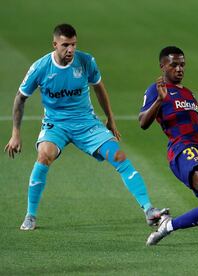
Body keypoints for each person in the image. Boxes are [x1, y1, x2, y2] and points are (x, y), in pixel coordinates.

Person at [4, 23, 168, 231]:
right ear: (55, 44)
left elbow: (99, 88)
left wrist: (110, 119)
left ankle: (148, 209)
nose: (70, 49)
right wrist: (15, 133)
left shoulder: (86, 61)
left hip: (87, 124)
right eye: (65, 45)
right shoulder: (40, 68)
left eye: (73, 44)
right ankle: (30, 216)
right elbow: (20, 98)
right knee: (44, 155)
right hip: (56, 125)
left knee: (119, 157)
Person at [139, 46, 198, 254]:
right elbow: (142, 122)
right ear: (162, 66)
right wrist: (159, 100)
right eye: (174, 64)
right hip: (181, 147)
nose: (179, 68)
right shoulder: (155, 90)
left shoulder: (188, 93)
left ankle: (168, 226)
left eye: (182, 64)